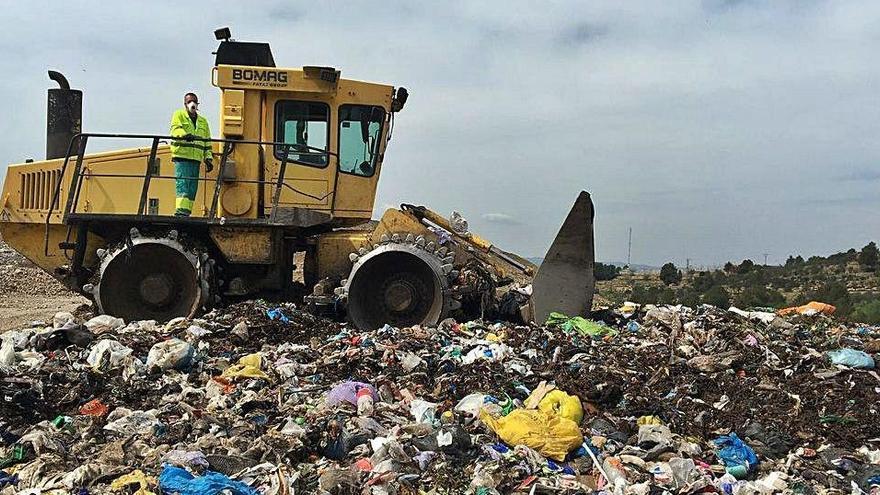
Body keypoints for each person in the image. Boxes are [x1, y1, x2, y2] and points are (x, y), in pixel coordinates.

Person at [170, 92, 213, 216]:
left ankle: (186, 212)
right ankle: (180, 213)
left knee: (192, 189)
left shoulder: (203, 122)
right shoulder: (179, 115)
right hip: (182, 156)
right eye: (189, 101)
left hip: (196, 158)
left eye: (194, 101)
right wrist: (184, 135)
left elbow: (207, 141)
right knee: (183, 185)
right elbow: (175, 129)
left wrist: (208, 158)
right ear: (185, 104)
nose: (192, 103)